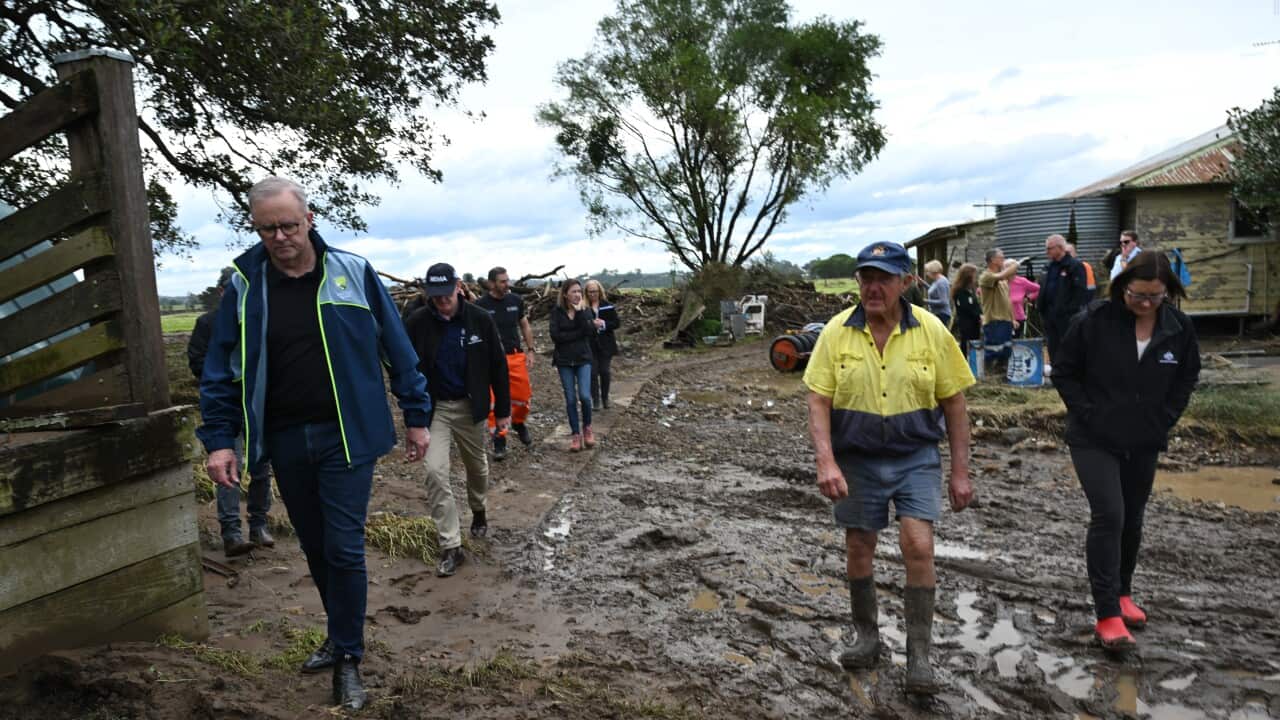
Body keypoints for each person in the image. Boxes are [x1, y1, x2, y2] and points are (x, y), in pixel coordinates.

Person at [197, 176, 431, 711]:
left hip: (345, 435)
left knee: (344, 546)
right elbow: (221, 371)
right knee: (314, 544)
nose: (279, 237)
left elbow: (397, 348)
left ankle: (348, 656)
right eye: (267, 228)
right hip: (282, 437)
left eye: (288, 225)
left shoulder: (353, 272)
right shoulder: (244, 284)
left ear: (309, 220)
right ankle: (338, 634)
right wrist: (219, 440)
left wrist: (417, 415)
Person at [804, 241, 975, 695]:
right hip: (856, 458)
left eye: (883, 278)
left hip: (915, 456)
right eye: (866, 277)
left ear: (905, 282)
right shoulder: (836, 332)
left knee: (918, 544)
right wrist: (826, 461)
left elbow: (954, 402)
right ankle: (867, 636)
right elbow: (818, 399)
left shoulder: (932, 331)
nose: (873, 287)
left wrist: (961, 471)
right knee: (860, 544)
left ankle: (919, 655)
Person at [1051, 251, 1200, 650]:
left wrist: (1165, 418)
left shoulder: (1178, 328)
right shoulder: (1094, 321)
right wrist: (1088, 413)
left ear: (1168, 291)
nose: (1146, 303)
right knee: (1109, 515)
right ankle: (1107, 616)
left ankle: (1122, 593)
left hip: (1144, 439)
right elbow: (1063, 371)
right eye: (1138, 295)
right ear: (1123, 288)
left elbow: (1187, 376)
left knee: (1133, 518)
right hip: (1093, 437)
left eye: (1155, 296)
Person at [404, 263, 510, 578]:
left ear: (458, 286)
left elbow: (498, 365)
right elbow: (406, 371)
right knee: (435, 472)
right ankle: (451, 545)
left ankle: (479, 509)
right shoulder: (417, 322)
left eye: (446, 294)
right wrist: (412, 418)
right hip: (434, 410)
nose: (441, 301)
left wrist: (502, 410)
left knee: (476, 466)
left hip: (470, 407)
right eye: (434, 296)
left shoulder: (480, 320)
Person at [187, 269, 273, 558]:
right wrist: (226, 377)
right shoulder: (207, 323)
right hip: (226, 408)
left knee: (261, 467)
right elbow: (198, 362)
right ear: (222, 292)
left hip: (258, 406)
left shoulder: (258, 318)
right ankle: (231, 533)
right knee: (228, 469)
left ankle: (259, 525)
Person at [476, 267, 536, 460]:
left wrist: (531, 349)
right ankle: (499, 442)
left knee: (523, 397)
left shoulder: (516, 301)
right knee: (495, 404)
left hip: (515, 356)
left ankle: (518, 423)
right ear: (492, 283)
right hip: (491, 360)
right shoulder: (481, 305)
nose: (506, 284)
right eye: (502, 281)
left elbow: (524, 324)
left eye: (507, 280)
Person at [549, 279, 595, 451]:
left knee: (584, 396)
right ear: (565, 294)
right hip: (564, 361)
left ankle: (588, 428)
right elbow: (555, 336)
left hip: (583, 359)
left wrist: (580, 315)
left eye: (579, 291)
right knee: (570, 399)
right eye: (574, 292)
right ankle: (576, 435)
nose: (577, 295)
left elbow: (589, 332)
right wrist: (577, 334)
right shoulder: (557, 312)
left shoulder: (585, 310)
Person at [1037, 234, 1089, 366]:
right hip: (1049, 315)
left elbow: (1080, 291)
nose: (1046, 252)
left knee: (1069, 346)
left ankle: (1072, 373)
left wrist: (1070, 311)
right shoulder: (1048, 266)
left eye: (1049, 248)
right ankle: (1057, 372)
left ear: (1060, 248)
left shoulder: (1075, 266)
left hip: (1066, 316)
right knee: (1052, 345)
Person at [978, 249, 1020, 373]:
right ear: (993, 260)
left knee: (1005, 352)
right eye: (1001, 257)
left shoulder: (1003, 281)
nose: (1003, 259)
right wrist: (1016, 264)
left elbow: (1007, 301)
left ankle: (1002, 380)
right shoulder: (986, 276)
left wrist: (1012, 318)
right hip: (994, 321)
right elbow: (1000, 276)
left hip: (1005, 321)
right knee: (994, 351)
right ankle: (991, 380)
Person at [583, 279, 621, 410]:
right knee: (592, 373)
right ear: (586, 293)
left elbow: (616, 323)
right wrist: (590, 325)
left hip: (606, 344)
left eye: (595, 291)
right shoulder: (583, 308)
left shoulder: (608, 305)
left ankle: (605, 398)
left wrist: (603, 324)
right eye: (590, 292)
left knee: (605, 371)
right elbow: (580, 325)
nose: (593, 294)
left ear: (600, 291)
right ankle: (596, 401)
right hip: (590, 344)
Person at [951, 263, 982, 352]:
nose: (976, 277)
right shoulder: (960, 291)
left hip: (974, 324)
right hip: (966, 324)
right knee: (966, 345)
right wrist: (978, 315)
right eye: (974, 275)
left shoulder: (971, 290)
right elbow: (966, 307)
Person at [1006, 261, 1040, 339]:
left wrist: (1028, 298)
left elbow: (1039, 289)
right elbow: (980, 290)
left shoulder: (1021, 281)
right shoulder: (1000, 282)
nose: (1006, 270)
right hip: (1002, 318)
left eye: (1009, 268)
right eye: (1005, 268)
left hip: (1018, 318)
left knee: (1015, 344)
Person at [923, 260, 951, 329]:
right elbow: (934, 292)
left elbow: (943, 302)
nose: (927, 274)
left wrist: (925, 301)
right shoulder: (937, 281)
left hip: (942, 314)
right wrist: (923, 284)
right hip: (938, 313)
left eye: (927, 271)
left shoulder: (941, 282)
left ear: (933, 271)